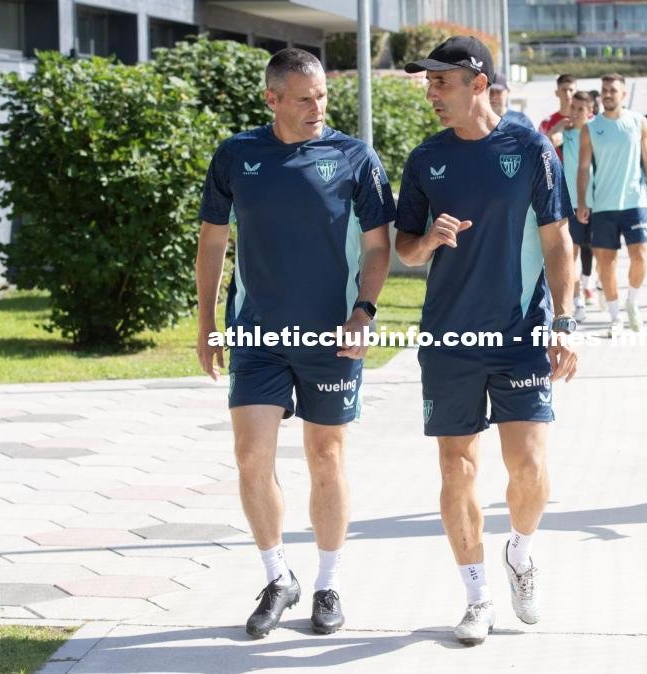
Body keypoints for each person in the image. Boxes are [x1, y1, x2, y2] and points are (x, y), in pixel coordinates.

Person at [195, 48, 395, 638]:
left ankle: (329, 583)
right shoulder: (237, 155)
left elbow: (380, 247)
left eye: (323, 97)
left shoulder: (354, 156)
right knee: (251, 456)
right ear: (273, 99)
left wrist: (364, 312)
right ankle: (278, 575)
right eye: (304, 98)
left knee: (325, 456)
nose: (317, 108)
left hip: (333, 334)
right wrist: (207, 321)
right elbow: (212, 244)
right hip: (257, 330)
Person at [394, 36, 578, 646]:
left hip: (522, 333)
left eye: (441, 82)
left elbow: (557, 241)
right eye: (428, 82)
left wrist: (564, 322)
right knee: (457, 468)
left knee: (527, 466)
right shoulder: (425, 159)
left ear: (477, 82)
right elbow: (405, 247)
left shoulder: (529, 146)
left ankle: (520, 553)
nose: (432, 93)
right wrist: (428, 241)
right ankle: (476, 598)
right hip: (449, 337)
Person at [576, 73, 647, 333]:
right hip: (603, 205)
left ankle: (632, 302)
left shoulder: (639, 123)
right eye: (604, 90)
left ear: (623, 94)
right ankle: (615, 318)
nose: (608, 94)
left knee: (640, 256)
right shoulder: (590, 127)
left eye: (613, 90)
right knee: (606, 262)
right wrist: (582, 201)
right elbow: (582, 168)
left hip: (635, 202)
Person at [562, 91, 598, 320]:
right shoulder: (565, 133)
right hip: (572, 203)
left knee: (597, 252)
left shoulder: (598, 133)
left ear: (590, 112)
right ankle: (577, 302)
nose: (574, 112)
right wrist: (559, 126)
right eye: (572, 107)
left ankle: (592, 286)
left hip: (599, 201)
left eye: (580, 109)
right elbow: (547, 138)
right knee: (570, 254)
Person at [539, 73, 578, 158]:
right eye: (564, 90)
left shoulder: (587, 120)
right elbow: (539, 151)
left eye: (571, 90)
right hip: (555, 170)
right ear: (557, 93)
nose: (567, 94)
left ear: (576, 92)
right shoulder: (546, 123)